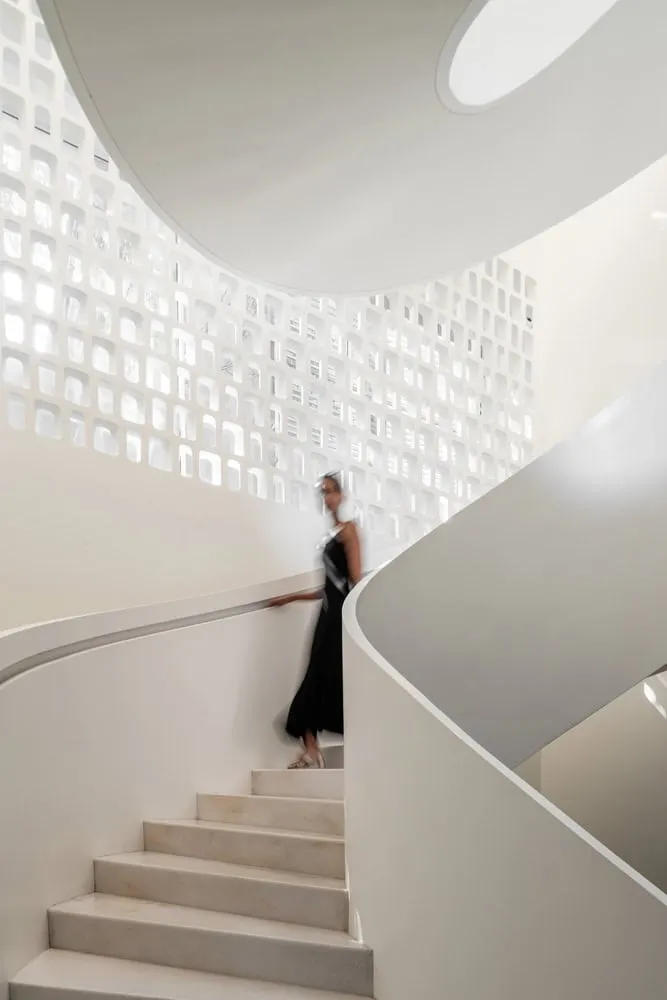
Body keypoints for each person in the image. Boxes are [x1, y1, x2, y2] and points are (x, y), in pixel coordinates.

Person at [270, 473, 362, 768]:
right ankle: (311, 748)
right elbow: (327, 588)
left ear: (342, 496)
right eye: (323, 493)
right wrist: (291, 598)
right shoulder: (329, 536)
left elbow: (355, 581)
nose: (327, 498)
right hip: (324, 617)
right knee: (313, 678)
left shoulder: (349, 531)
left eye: (332, 492)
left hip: (339, 619)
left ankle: (316, 749)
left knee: (329, 679)